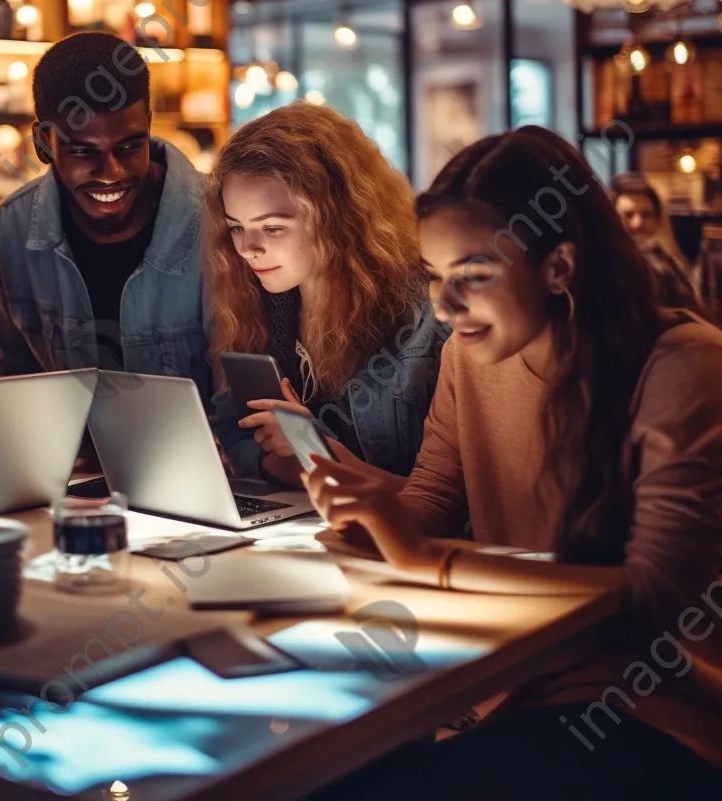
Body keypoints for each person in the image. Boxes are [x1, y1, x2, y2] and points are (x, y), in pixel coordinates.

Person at [304, 126, 722, 799]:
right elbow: (435, 495)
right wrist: (364, 526)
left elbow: (657, 599)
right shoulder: (469, 355)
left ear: (559, 267)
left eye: (473, 275)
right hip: (519, 681)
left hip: (660, 702)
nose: (444, 308)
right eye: (436, 277)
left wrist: (421, 557)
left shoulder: (683, 364)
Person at [206, 103, 446, 483]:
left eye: (272, 228)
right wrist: (295, 461)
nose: (247, 249)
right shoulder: (254, 300)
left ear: (338, 220)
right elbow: (237, 429)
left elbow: (446, 505)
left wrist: (317, 450)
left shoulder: (423, 314)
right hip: (307, 525)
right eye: (236, 227)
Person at [0, 31, 210, 399]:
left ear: (149, 126)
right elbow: (13, 376)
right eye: (82, 152)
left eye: (130, 146)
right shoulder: (14, 226)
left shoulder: (219, 219)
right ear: (44, 142)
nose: (111, 172)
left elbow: (246, 394)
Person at [611, 172, 702, 312]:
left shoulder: (661, 256)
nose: (638, 223)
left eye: (647, 215)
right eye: (628, 215)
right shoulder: (611, 264)